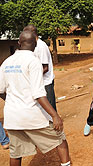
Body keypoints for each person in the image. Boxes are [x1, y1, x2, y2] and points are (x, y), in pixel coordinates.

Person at [0, 31, 70, 166]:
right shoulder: (33, 61)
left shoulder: (7, 62)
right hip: (32, 115)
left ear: (18, 43)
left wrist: (12, 100)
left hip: (12, 117)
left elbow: (0, 90)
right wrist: (55, 115)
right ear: (36, 44)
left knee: (16, 153)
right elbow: (38, 94)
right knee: (60, 138)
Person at [23, 25, 57, 111]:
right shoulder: (32, 46)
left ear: (33, 34)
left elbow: (45, 68)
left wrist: (31, 78)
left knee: (50, 107)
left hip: (46, 82)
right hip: (38, 82)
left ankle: (54, 122)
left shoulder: (41, 46)